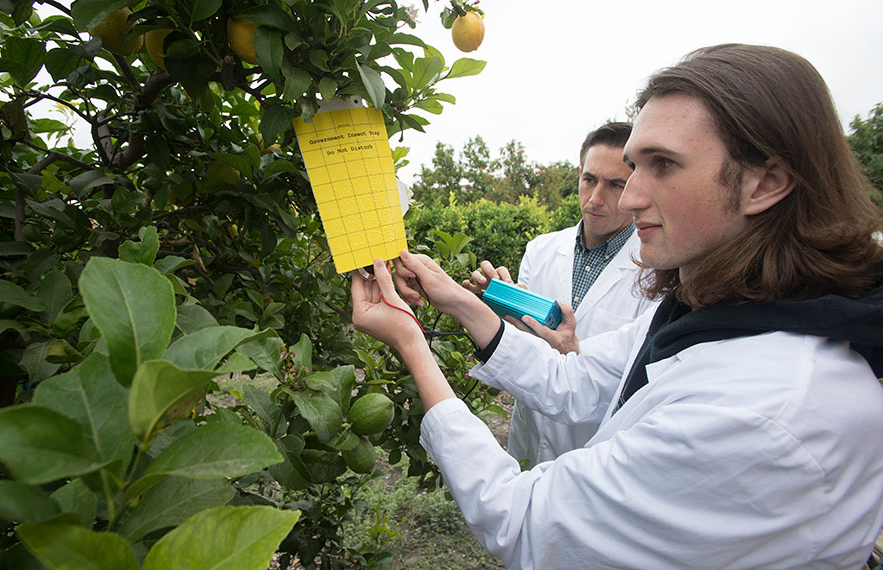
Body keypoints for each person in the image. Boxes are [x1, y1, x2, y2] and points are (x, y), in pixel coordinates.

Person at [351, 43, 883, 568]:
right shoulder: (717, 313)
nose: (627, 199)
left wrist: (409, 342)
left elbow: (525, 523)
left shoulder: (762, 410)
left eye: (663, 165)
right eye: (633, 166)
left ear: (765, 182)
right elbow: (574, 380)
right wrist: (455, 299)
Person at [463, 122, 658, 467]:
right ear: (579, 175)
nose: (596, 199)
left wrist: (573, 349)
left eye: (615, 185)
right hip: (530, 439)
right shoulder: (541, 250)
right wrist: (503, 310)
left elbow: (639, 379)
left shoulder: (656, 273)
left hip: (596, 453)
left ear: (636, 187)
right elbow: (526, 349)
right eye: (589, 180)